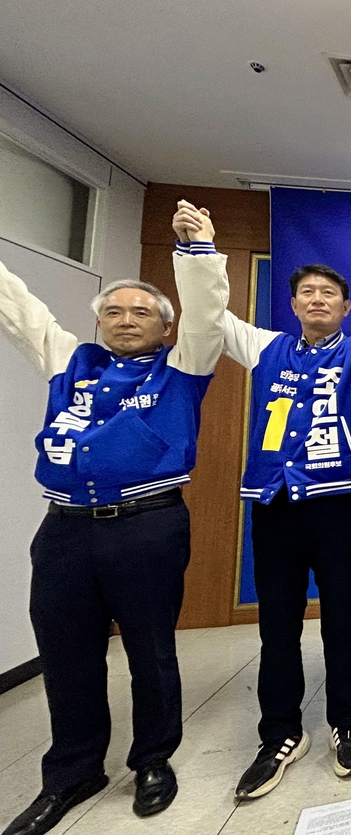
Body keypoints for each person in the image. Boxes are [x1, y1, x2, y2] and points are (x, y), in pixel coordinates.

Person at [0, 203, 225, 835]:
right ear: (97, 322)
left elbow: (207, 316)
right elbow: (20, 311)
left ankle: (153, 758)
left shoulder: (182, 370)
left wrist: (196, 250)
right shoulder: (69, 361)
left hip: (147, 526)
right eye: (113, 312)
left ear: (164, 326)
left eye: (141, 312)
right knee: (65, 651)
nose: (126, 320)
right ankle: (72, 772)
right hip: (66, 528)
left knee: (150, 650)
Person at [175, 207, 351, 799]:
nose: (318, 300)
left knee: (341, 617)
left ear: (345, 307)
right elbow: (208, 318)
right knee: (276, 625)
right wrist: (200, 250)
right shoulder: (264, 346)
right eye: (307, 292)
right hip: (273, 505)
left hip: (336, 507)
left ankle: (346, 723)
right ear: (294, 304)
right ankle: (279, 732)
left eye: (330, 293)